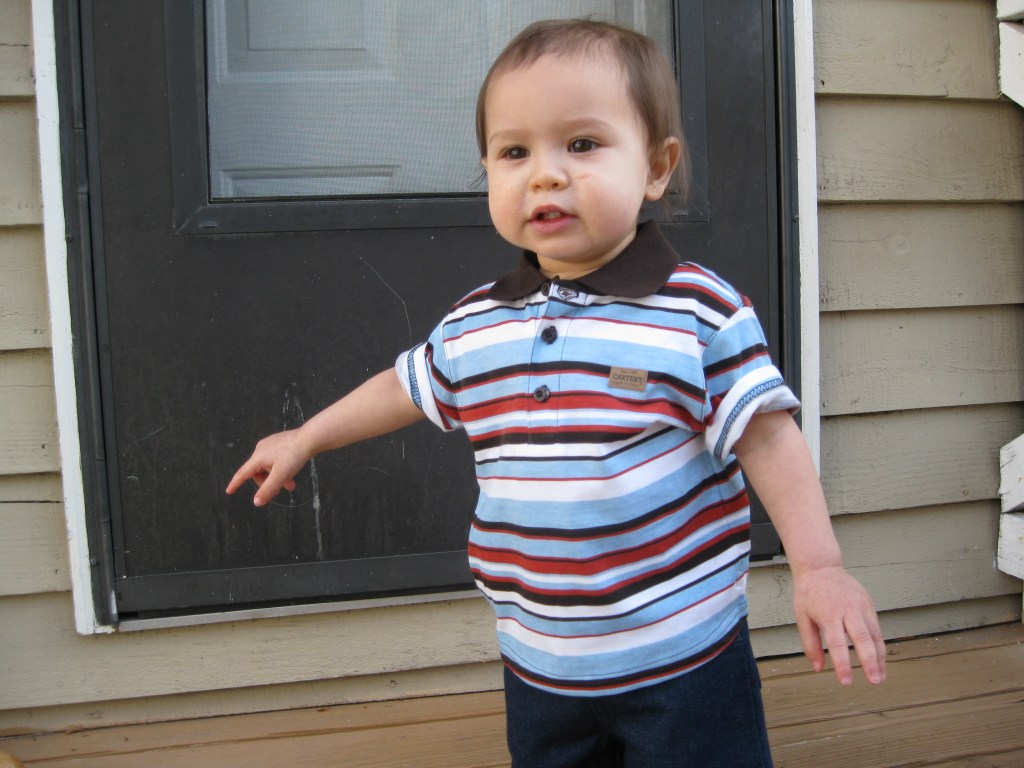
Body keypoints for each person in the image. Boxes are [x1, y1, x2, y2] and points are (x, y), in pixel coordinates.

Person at [227, 19, 885, 767]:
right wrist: (308, 435)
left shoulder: (698, 312)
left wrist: (819, 567)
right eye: (515, 152)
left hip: (684, 657)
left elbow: (766, 435)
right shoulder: (477, 323)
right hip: (541, 660)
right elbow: (405, 388)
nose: (544, 174)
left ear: (656, 167)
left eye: (581, 144)